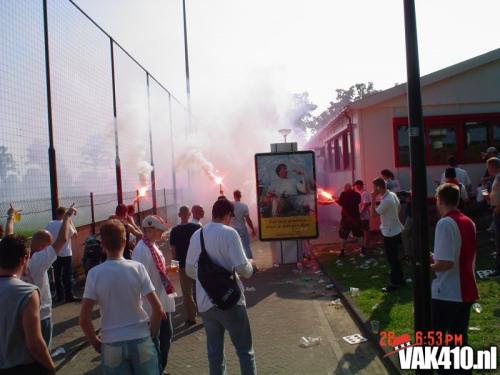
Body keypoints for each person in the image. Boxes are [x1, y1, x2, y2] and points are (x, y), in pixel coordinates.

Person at [79, 220, 163, 375]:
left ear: (102, 245)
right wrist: (148, 334)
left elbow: (84, 320)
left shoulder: (94, 274)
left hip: (111, 342)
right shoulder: (137, 268)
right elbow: (158, 310)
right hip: (140, 338)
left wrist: (97, 344)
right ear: (124, 242)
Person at [186, 199, 257, 375]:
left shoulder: (198, 235)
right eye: (231, 217)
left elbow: (189, 270)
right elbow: (244, 270)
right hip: (231, 301)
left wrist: (209, 281)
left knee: (215, 354)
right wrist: (251, 264)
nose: (231, 220)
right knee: (245, 352)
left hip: (205, 303)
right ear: (227, 215)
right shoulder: (229, 233)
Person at [431, 183, 479, 357]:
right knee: (458, 338)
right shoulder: (469, 222)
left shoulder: (445, 223)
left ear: (440, 200)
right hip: (466, 288)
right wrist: (435, 257)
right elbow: (459, 253)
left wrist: (426, 268)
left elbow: (446, 263)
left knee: (437, 337)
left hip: (448, 291)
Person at [21, 205, 78, 349]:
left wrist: (10, 219)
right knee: (42, 349)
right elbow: (63, 239)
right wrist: (67, 218)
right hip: (42, 314)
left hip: (22, 314)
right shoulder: (39, 261)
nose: (49, 248)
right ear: (42, 246)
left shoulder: (19, 259)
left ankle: (60, 295)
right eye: (47, 245)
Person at [0, 234, 55, 374]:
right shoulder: (27, 292)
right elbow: (34, 344)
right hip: (22, 367)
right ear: (23, 260)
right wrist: (51, 368)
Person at [132, 215, 175, 374]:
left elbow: (155, 272)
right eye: (159, 230)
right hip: (152, 305)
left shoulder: (152, 246)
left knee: (165, 336)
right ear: (149, 230)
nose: (162, 233)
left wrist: (166, 271)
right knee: (157, 340)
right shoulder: (141, 250)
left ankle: (159, 368)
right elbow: (138, 280)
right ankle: (156, 370)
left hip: (161, 300)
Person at [371, 177, 405, 292]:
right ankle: (401, 279)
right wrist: (393, 216)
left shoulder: (386, 200)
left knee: (392, 259)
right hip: (395, 229)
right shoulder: (392, 195)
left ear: (379, 187)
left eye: (374, 188)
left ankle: (394, 283)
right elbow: (399, 207)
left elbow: (374, 215)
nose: (373, 190)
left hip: (390, 232)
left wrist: (372, 199)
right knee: (395, 257)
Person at [169, 206, 201, 326]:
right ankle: (205, 313)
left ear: (179, 215)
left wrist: (174, 268)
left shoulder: (175, 231)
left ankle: (192, 317)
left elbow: (173, 251)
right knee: (201, 290)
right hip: (198, 264)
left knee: (187, 294)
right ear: (189, 215)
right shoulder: (197, 228)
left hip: (183, 266)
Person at [44, 206, 79, 303]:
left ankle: (60, 296)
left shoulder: (50, 224)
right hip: (66, 253)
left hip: (54, 253)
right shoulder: (66, 224)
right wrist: (70, 220)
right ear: (65, 214)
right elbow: (75, 235)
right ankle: (69, 296)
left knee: (57, 275)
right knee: (67, 275)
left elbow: (45, 235)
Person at [336, 183, 363, 257]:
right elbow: (358, 202)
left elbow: (340, 203)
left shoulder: (343, 194)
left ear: (345, 188)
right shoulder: (357, 194)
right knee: (359, 234)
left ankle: (342, 252)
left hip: (346, 219)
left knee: (343, 236)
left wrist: (336, 200)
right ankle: (362, 250)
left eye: (344, 188)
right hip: (356, 218)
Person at [231, 190, 256, 259]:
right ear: (240, 196)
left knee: (234, 247)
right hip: (242, 228)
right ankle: (251, 262)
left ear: (234, 196)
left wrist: (222, 193)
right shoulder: (244, 206)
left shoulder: (230, 204)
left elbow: (223, 200)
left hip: (232, 228)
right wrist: (252, 229)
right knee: (246, 246)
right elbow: (248, 219)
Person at [486, 157, 500, 277]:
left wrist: (497, 208)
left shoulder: (499, 177)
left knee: (498, 240)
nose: (488, 170)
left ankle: (498, 269)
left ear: (493, 166)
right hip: (495, 210)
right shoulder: (496, 177)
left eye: (488, 167)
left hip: (498, 212)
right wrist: (488, 197)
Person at [354, 180, 371, 254]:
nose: (356, 187)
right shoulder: (360, 193)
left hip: (364, 216)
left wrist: (360, 213)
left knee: (365, 231)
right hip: (361, 216)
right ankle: (363, 246)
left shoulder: (365, 193)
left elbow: (366, 204)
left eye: (357, 186)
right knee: (362, 231)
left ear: (360, 185)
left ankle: (366, 246)